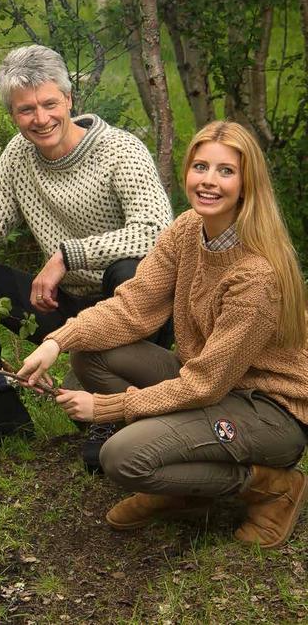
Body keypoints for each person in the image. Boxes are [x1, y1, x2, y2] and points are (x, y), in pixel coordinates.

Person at [18, 121, 308, 548]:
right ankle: (183, 482)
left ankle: (271, 488)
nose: (208, 181)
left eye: (225, 171)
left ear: (248, 183)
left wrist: (106, 407)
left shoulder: (256, 275)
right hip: (212, 383)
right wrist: (57, 341)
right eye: (200, 166)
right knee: (91, 355)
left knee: (122, 458)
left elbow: (205, 383)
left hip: (268, 411)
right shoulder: (189, 229)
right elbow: (132, 307)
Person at [0, 44, 173, 461]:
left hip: (128, 311)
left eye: (49, 103)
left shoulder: (120, 150)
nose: (40, 119)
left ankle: (114, 404)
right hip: (62, 306)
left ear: (69, 99)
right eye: (26, 110)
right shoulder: (18, 157)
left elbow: (156, 233)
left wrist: (66, 256)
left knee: (128, 270)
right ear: (12, 114)